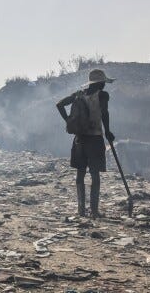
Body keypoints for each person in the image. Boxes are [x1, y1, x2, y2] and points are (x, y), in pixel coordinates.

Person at [56, 69, 115, 218]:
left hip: (79, 140)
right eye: (103, 82)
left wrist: (68, 120)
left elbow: (59, 105)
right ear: (100, 83)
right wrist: (108, 131)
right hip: (95, 139)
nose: (104, 85)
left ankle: (81, 211)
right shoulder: (103, 95)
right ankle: (94, 211)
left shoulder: (78, 94)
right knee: (95, 175)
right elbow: (105, 113)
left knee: (80, 174)